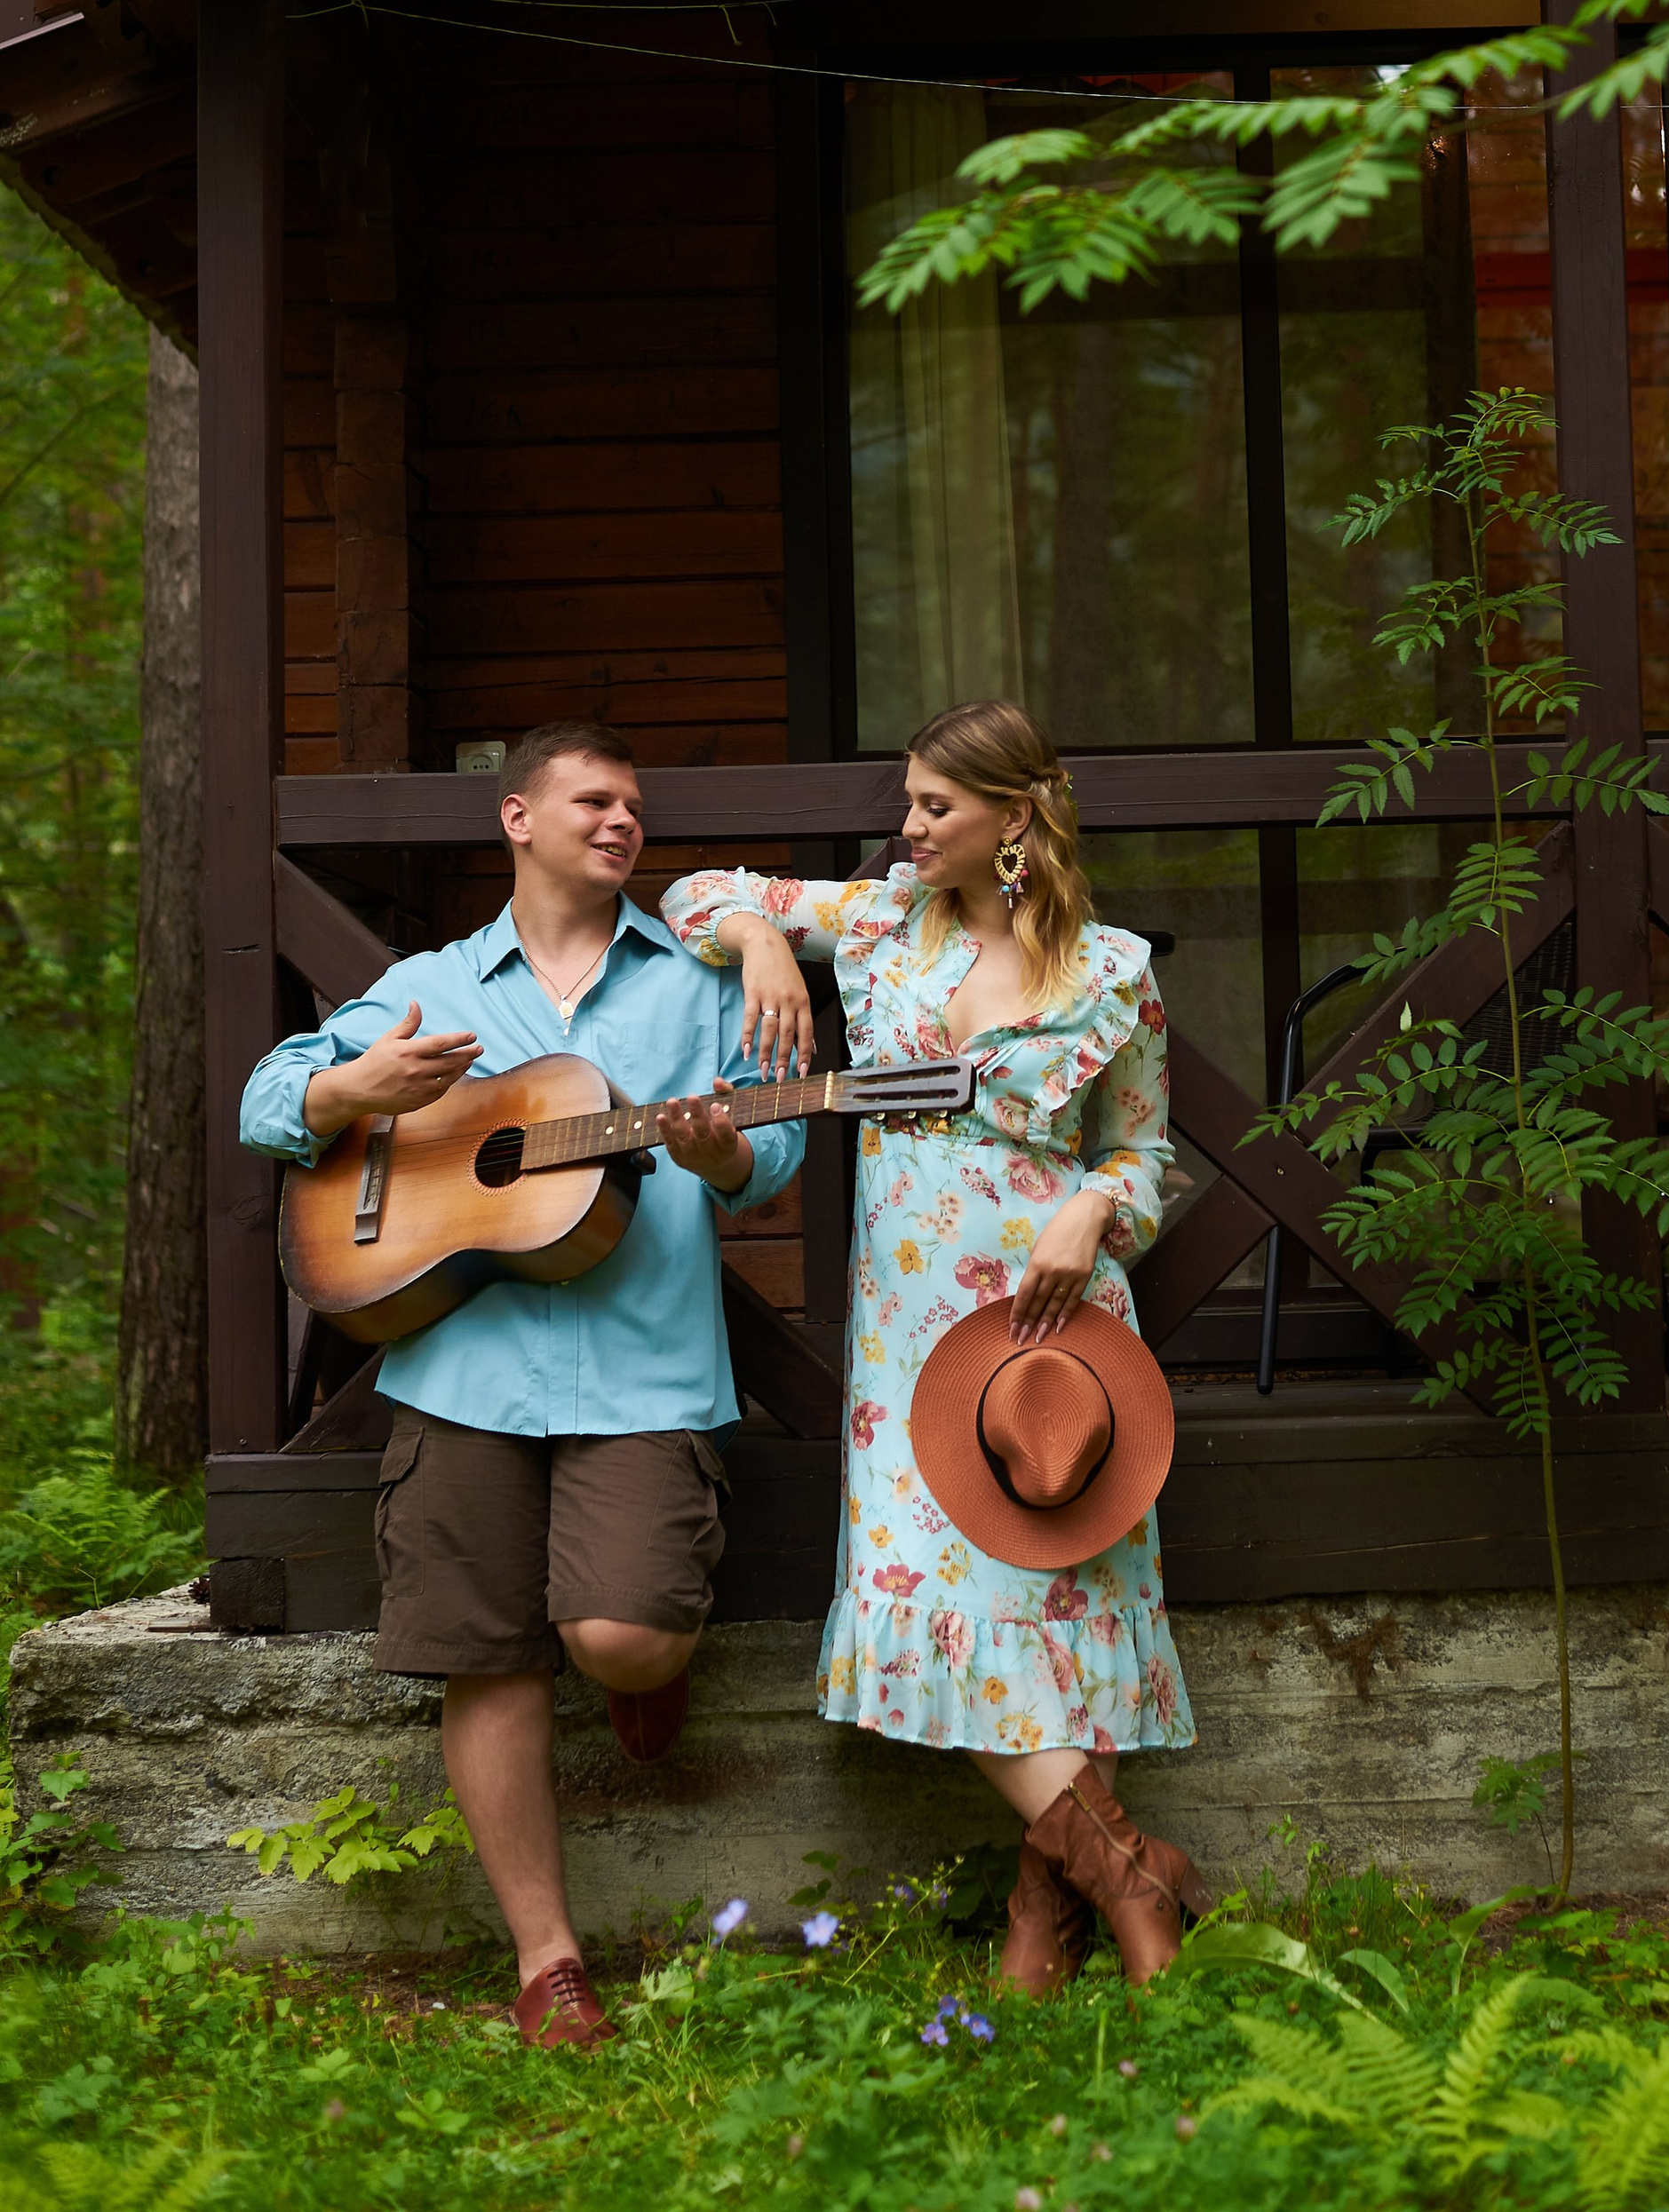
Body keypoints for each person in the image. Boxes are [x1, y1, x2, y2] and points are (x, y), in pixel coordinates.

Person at [239, 720, 801, 2052]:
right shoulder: (434, 983)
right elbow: (269, 1097)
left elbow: (770, 1164)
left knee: (623, 1635)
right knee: (485, 1664)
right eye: (593, 800)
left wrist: (724, 1156)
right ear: (517, 820)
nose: (621, 821)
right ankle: (548, 1962)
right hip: (463, 1374)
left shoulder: (695, 979)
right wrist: (349, 1089)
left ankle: (636, 1660)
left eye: (635, 806)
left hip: (643, 1372)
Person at [661, 696, 1198, 1991]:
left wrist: (1093, 1204)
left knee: (1059, 1590)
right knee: (936, 1594)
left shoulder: (1116, 971)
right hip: (910, 1339)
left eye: (934, 808)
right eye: (907, 803)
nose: (907, 828)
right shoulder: (879, 921)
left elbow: (1146, 1153)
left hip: (1054, 1331)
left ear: (1016, 819)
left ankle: (1043, 1914)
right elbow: (693, 889)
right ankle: (1134, 1886)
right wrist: (763, 942)